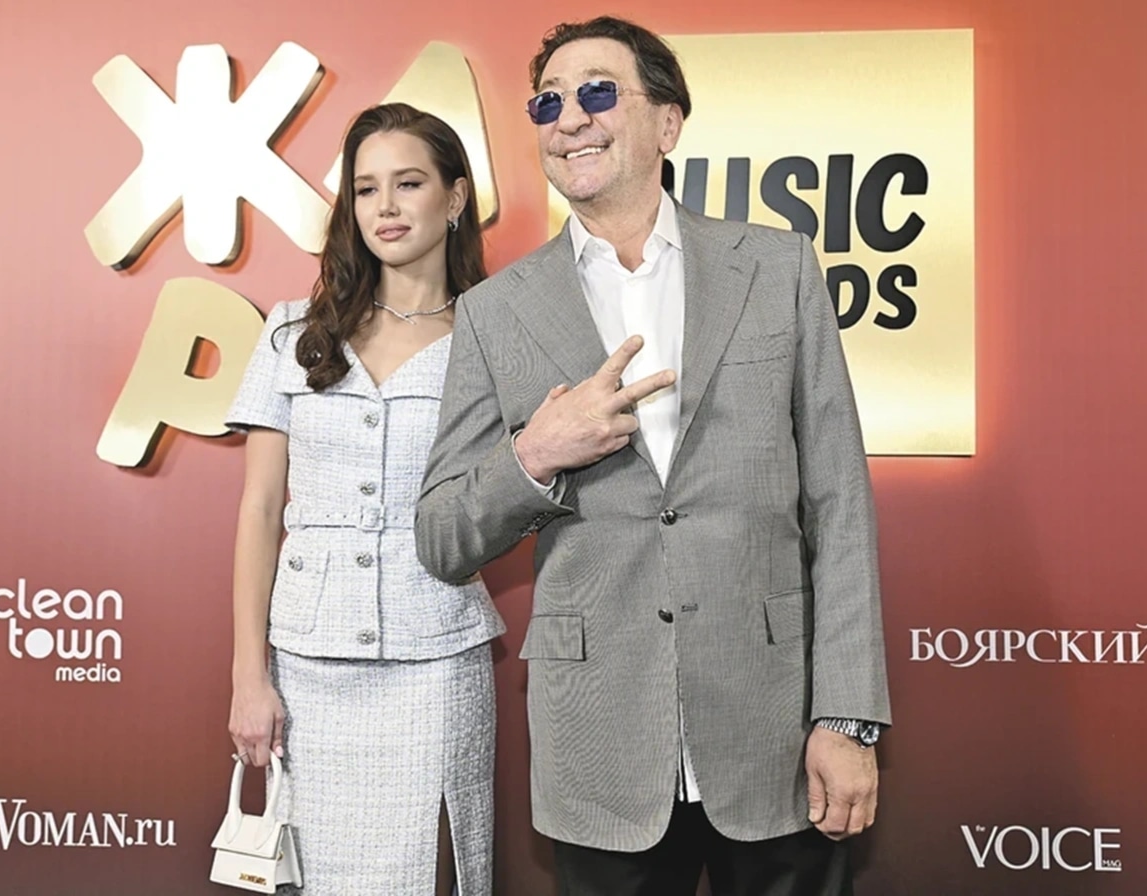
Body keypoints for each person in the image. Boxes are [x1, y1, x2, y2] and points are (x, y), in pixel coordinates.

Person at [416, 17, 891, 896]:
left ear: (667, 123)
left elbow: (839, 507)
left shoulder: (777, 268)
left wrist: (848, 718)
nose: (569, 118)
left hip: (776, 733)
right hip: (599, 746)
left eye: (597, 92)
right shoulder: (496, 309)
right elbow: (443, 535)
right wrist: (536, 453)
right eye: (548, 102)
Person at [225, 102, 503, 896]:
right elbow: (259, 511)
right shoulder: (293, 333)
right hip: (308, 663)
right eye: (366, 188)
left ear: (454, 197)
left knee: (435, 873)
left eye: (408, 183)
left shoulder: (493, 336)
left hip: (438, 655)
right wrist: (249, 675)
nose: (385, 206)